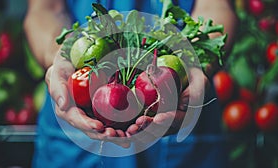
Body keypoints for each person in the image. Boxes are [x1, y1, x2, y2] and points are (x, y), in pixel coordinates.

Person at [24, 0, 237, 167]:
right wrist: (60, 55)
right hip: (75, 134)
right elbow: (45, 9)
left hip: (185, 140)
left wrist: (195, 60)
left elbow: (216, 6)